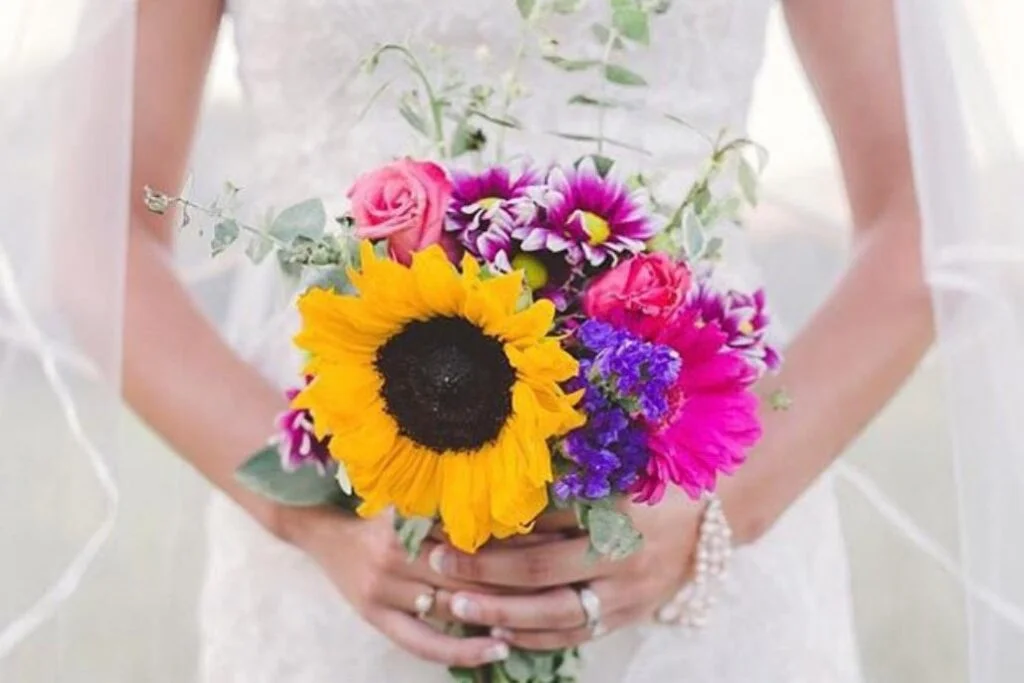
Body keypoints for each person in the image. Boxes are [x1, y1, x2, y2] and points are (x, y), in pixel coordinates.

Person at [121, 0, 930, 681]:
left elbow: (921, 223)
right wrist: (312, 517)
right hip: (342, 557)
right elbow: (101, 238)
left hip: (698, 546)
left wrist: (718, 512)